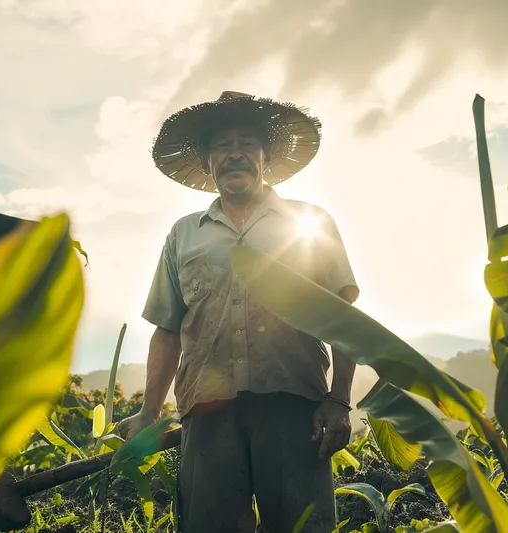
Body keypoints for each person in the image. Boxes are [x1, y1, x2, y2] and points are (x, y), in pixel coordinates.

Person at [117, 91, 360, 533]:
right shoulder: (184, 235)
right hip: (207, 416)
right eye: (221, 147)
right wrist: (149, 413)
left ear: (265, 158)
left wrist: (339, 399)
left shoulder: (310, 223)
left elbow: (344, 317)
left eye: (247, 144)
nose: (234, 155)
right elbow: (167, 331)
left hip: (294, 410)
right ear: (209, 165)